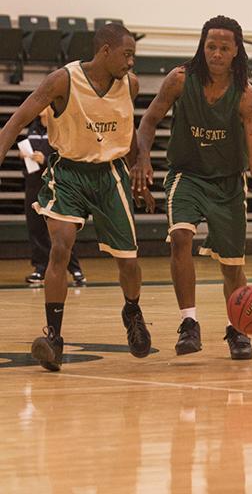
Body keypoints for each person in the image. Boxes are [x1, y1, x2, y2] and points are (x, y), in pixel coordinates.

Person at [0, 23, 154, 371]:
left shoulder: (130, 85)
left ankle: (132, 310)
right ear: (105, 51)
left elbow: (127, 134)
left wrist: (140, 169)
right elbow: (19, 119)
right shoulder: (63, 80)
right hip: (68, 172)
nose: (131, 62)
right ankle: (53, 336)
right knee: (60, 246)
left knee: (128, 259)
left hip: (110, 173)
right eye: (127, 54)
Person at [132, 15, 252, 360]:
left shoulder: (247, 97)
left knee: (231, 265)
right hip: (187, 175)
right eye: (210, 46)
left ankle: (238, 330)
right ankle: (189, 323)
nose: (215, 53)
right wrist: (142, 159)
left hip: (228, 183)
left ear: (236, 51)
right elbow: (149, 121)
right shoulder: (180, 80)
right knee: (181, 236)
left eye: (223, 47)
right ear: (202, 46)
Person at [20, 108, 86, 287]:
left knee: (61, 230)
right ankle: (40, 268)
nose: (41, 107)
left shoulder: (60, 128)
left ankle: (75, 269)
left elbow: (67, 155)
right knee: (36, 228)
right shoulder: (32, 128)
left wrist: (45, 158)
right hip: (33, 184)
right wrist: (25, 155)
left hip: (54, 186)